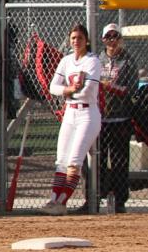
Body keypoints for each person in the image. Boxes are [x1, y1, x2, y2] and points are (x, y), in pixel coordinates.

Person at [43, 23, 102, 215]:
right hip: (70, 112)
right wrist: (69, 90)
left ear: (87, 41)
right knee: (61, 160)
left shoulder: (92, 61)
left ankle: (61, 203)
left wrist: (70, 92)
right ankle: (53, 200)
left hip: (88, 114)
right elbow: (53, 87)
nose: (76, 41)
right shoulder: (67, 61)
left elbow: (89, 90)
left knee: (74, 161)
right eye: (73, 38)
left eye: (80, 38)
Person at [94, 23, 137, 214]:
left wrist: (113, 88)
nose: (112, 40)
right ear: (103, 39)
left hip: (121, 117)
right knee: (99, 159)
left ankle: (120, 200)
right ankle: (97, 196)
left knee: (120, 160)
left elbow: (132, 89)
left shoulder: (127, 61)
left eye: (115, 36)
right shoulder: (97, 59)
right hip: (101, 118)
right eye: (108, 36)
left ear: (120, 38)